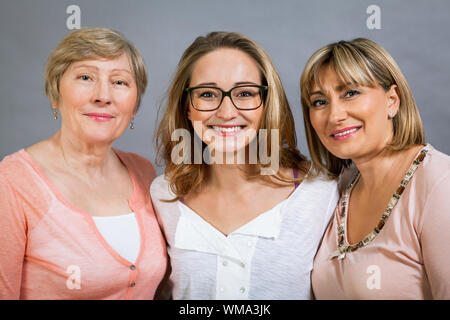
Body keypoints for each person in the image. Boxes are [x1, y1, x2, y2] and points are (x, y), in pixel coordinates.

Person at [150, 31, 339, 299]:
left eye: (245, 93)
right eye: (207, 94)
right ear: (186, 107)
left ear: (266, 103)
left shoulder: (321, 193)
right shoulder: (162, 195)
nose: (227, 112)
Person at [0, 28, 167, 299]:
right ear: (55, 93)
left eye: (120, 82)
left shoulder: (143, 172)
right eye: (86, 77)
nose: (103, 95)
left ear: (134, 105)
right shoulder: (12, 182)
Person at [299, 38, 450, 299]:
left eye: (350, 93)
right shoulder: (340, 188)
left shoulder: (439, 184)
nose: (334, 115)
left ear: (392, 100)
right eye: (320, 102)